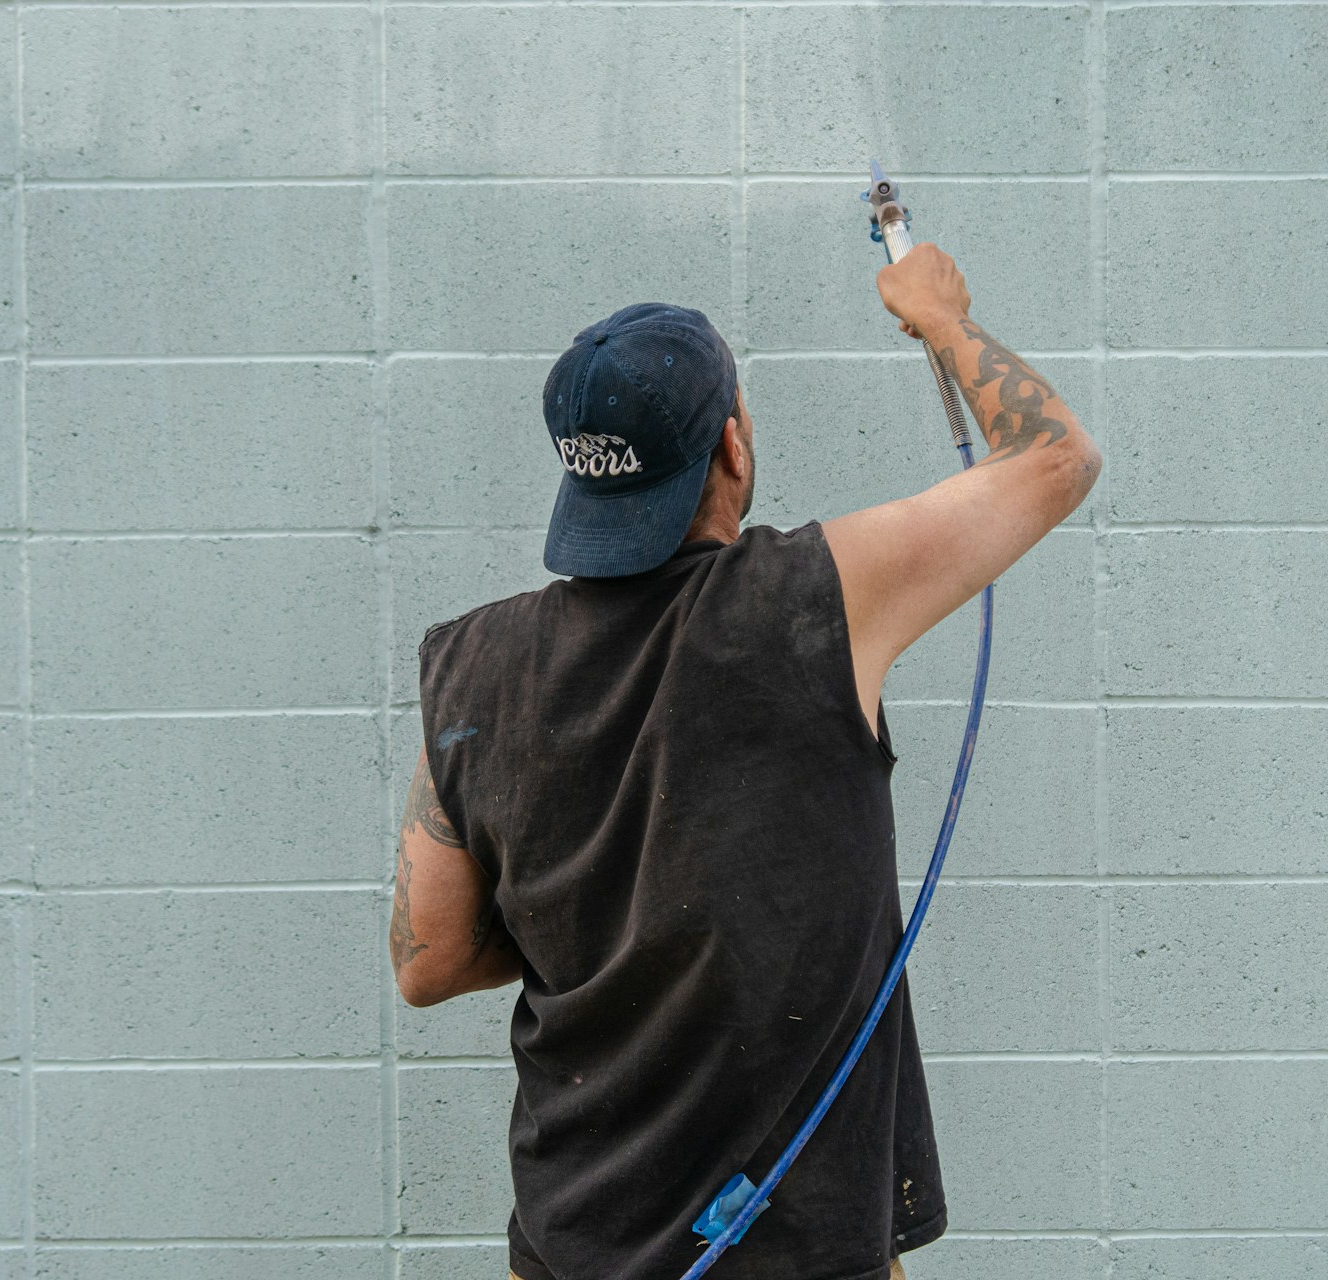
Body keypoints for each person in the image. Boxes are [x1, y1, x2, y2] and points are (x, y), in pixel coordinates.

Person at [391, 244, 1101, 1280]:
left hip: (570, 1246)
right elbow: (1054, 458)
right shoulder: (809, 601)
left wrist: (611, 915)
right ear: (733, 444)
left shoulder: (469, 663)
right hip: (800, 1250)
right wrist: (939, 313)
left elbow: (429, 959)